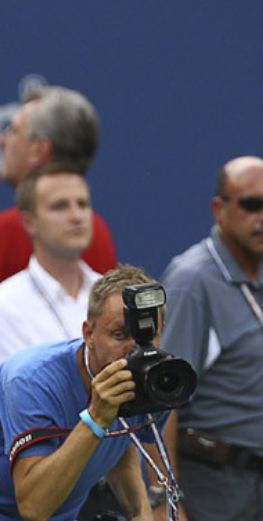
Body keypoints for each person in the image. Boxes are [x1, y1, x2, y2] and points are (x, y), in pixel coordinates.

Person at [159, 156, 263, 520]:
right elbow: (161, 405)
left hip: (256, 484)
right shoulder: (193, 282)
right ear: (218, 210)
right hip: (211, 484)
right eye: (252, 204)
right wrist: (168, 508)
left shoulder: (257, 276)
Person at [0, 265, 163, 521]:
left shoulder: (151, 377)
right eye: (119, 335)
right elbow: (33, 508)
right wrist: (96, 417)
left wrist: (140, 513)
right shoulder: (32, 381)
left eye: (147, 336)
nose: (133, 353)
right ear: (89, 334)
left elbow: (122, 438)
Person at [0, 86, 117, 282]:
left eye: (13, 130)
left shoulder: (8, 232)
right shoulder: (99, 232)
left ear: (39, 150)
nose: (3, 141)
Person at [0, 170, 101, 360]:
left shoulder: (113, 295)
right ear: (29, 222)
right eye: (60, 206)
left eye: (83, 204)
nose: (77, 216)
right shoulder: (5, 306)